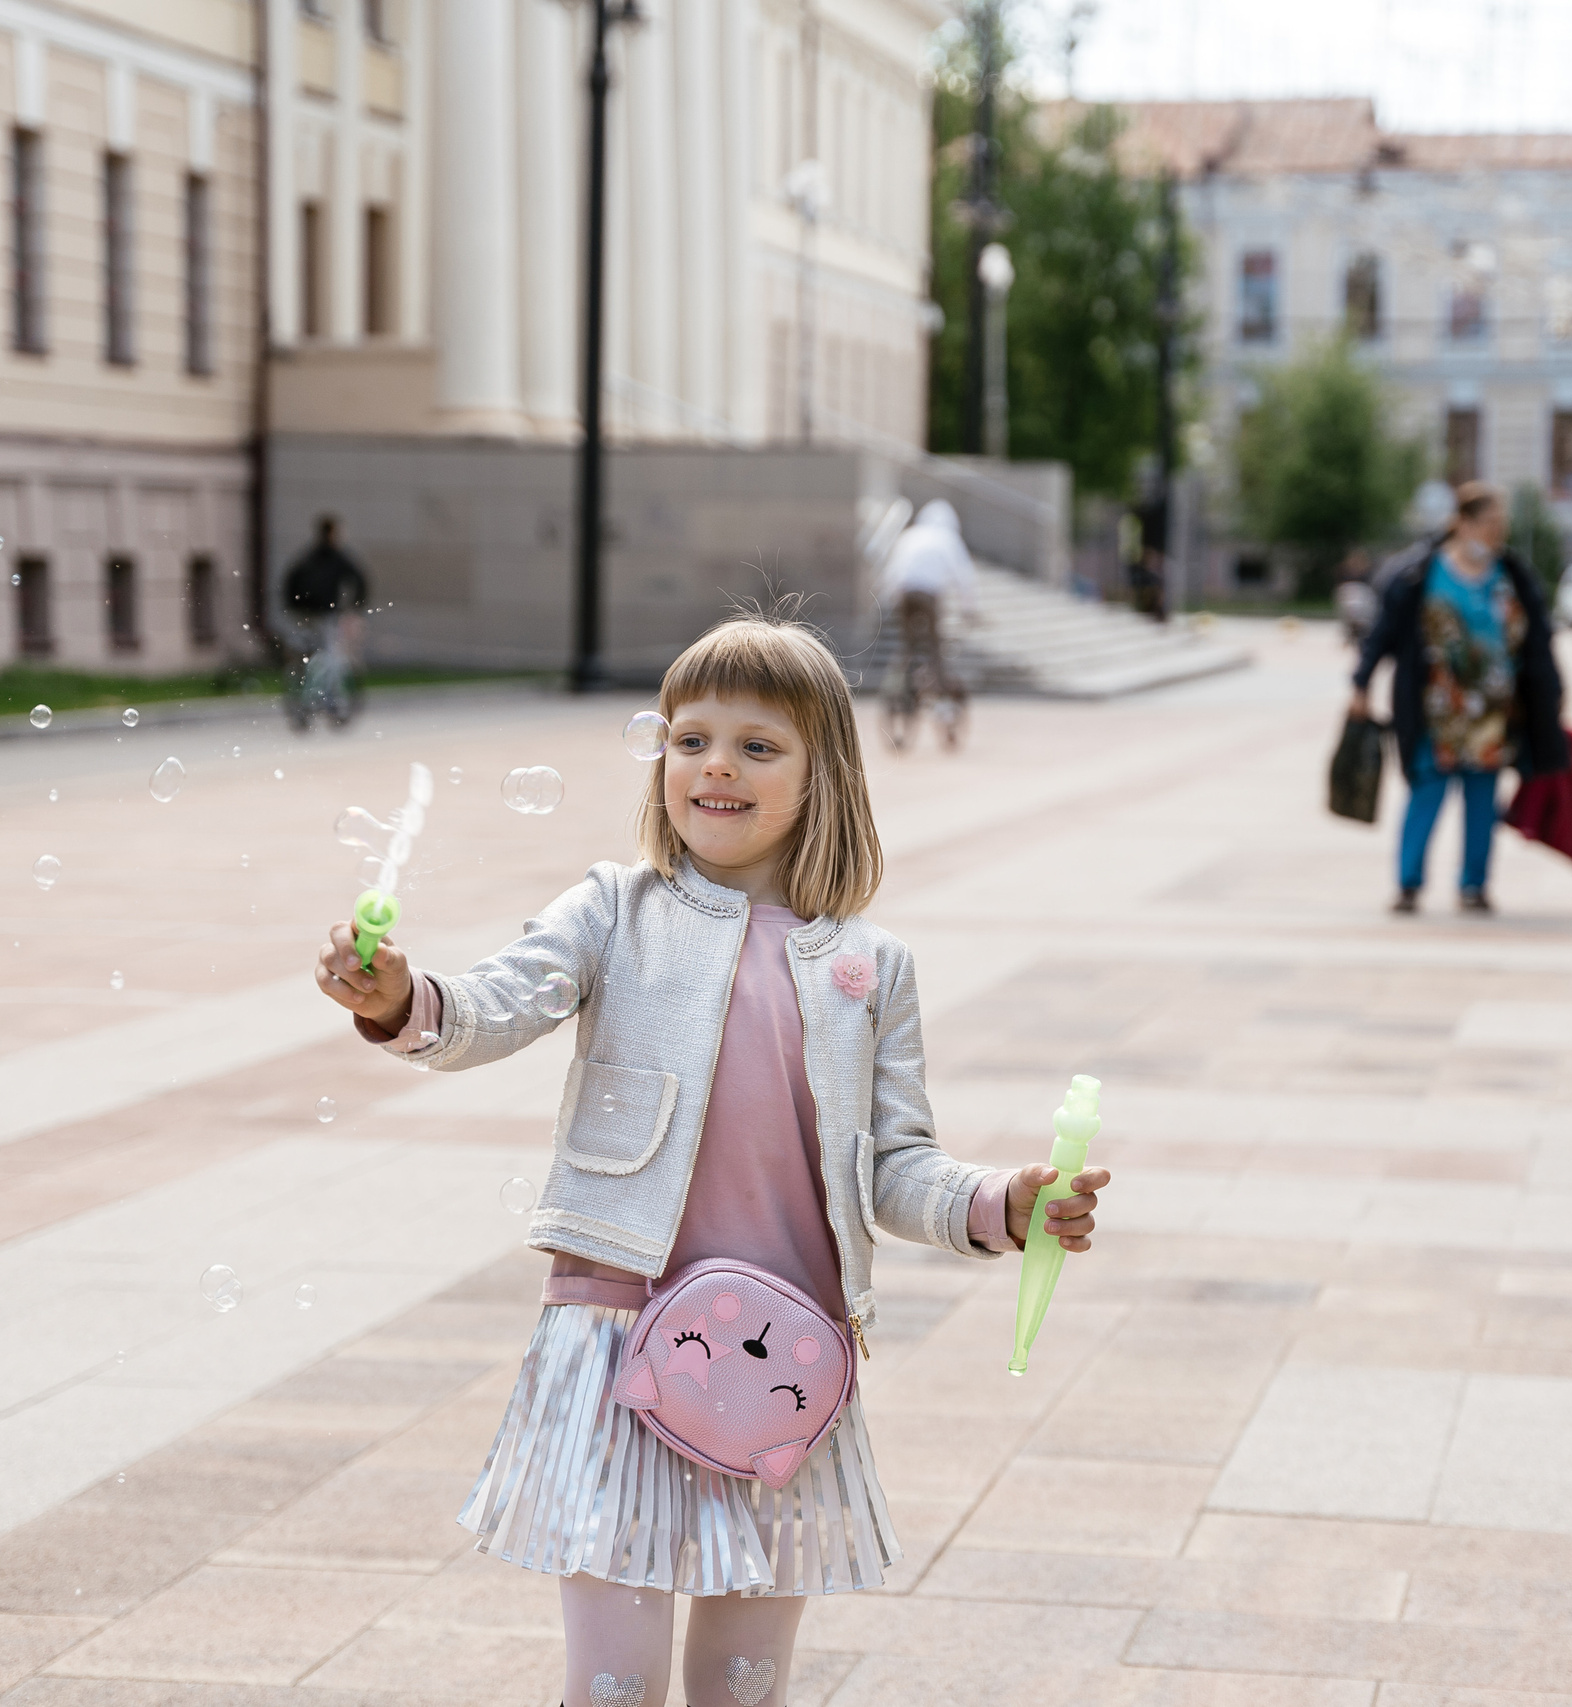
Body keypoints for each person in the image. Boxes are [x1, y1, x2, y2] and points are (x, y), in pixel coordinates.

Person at [311, 614, 1112, 1707]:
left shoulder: (871, 966)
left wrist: (1000, 1203)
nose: (714, 765)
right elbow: (492, 1007)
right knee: (614, 1685)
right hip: (621, 1336)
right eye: (689, 740)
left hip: (785, 1364)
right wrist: (403, 999)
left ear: (823, 777)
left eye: (756, 745)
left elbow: (894, 1166)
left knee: (745, 1685)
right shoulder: (613, 911)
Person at [1350, 480, 1570, 914]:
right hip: (1435, 708)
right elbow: (1383, 633)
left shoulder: (1511, 574)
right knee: (1426, 792)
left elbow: (1539, 640)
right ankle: (1408, 883)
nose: (1496, 533)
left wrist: (1553, 692)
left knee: (1482, 801)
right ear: (1461, 523)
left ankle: (1474, 885)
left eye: (1500, 525)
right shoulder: (1419, 574)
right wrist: (1361, 683)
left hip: (1493, 712)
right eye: (1488, 523)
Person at [877, 499, 979, 748]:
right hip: (929, 596)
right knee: (935, 650)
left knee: (908, 646)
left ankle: (900, 683)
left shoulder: (910, 535)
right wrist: (969, 609)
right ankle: (942, 699)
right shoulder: (947, 538)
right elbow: (964, 576)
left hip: (904, 595)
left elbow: (891, 571)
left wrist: (887, 600)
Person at [282, 515, 370, 728]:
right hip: (325, 615)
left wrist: (293, 607)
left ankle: (304, 700)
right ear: (332, 533)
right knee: (331, 657)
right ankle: (329, 701)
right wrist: (355, 607)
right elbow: (360, 580)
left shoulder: (308, 555)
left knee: (308, 655)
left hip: (304, 614)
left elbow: (290, 580)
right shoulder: (337, 557)